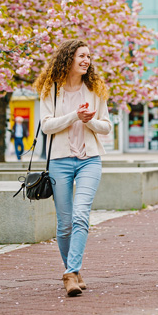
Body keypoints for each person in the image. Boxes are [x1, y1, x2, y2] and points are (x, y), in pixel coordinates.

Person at [33, 39, 111, 297]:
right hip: (59, 161)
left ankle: (70, 271)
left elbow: (107, 126)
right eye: (81, 56)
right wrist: (74, 116)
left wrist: (89, 122)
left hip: (90, 159)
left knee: (80, 215)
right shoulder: (50, 89)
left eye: (88, 56)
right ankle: (73, 272)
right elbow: (47, 126)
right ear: (68, 59)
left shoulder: (95, 89)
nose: (86, 60)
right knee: (64, 223)